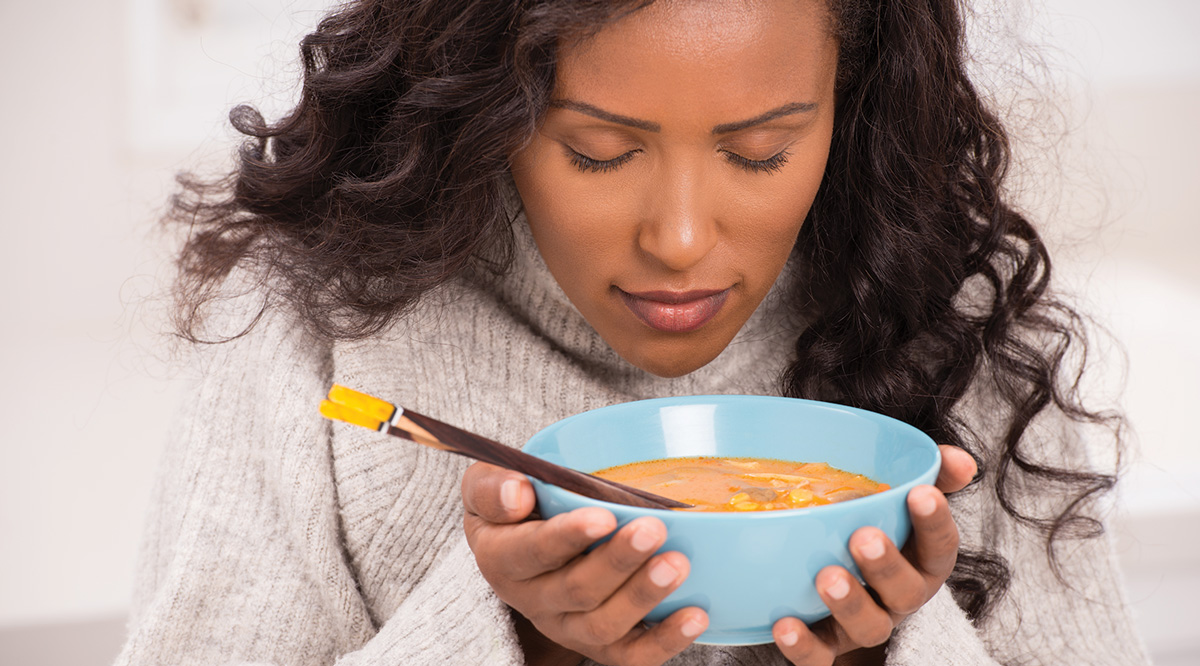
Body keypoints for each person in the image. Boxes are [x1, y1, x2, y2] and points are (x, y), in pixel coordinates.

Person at [115, 0, 1151, 665]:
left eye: (761, 152)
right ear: (487, 110)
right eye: (602, 153)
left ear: (857, 104)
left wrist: (893, 646)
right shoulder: (316, 335)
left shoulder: (952, 321)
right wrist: (511, 640)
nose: (682, 240)